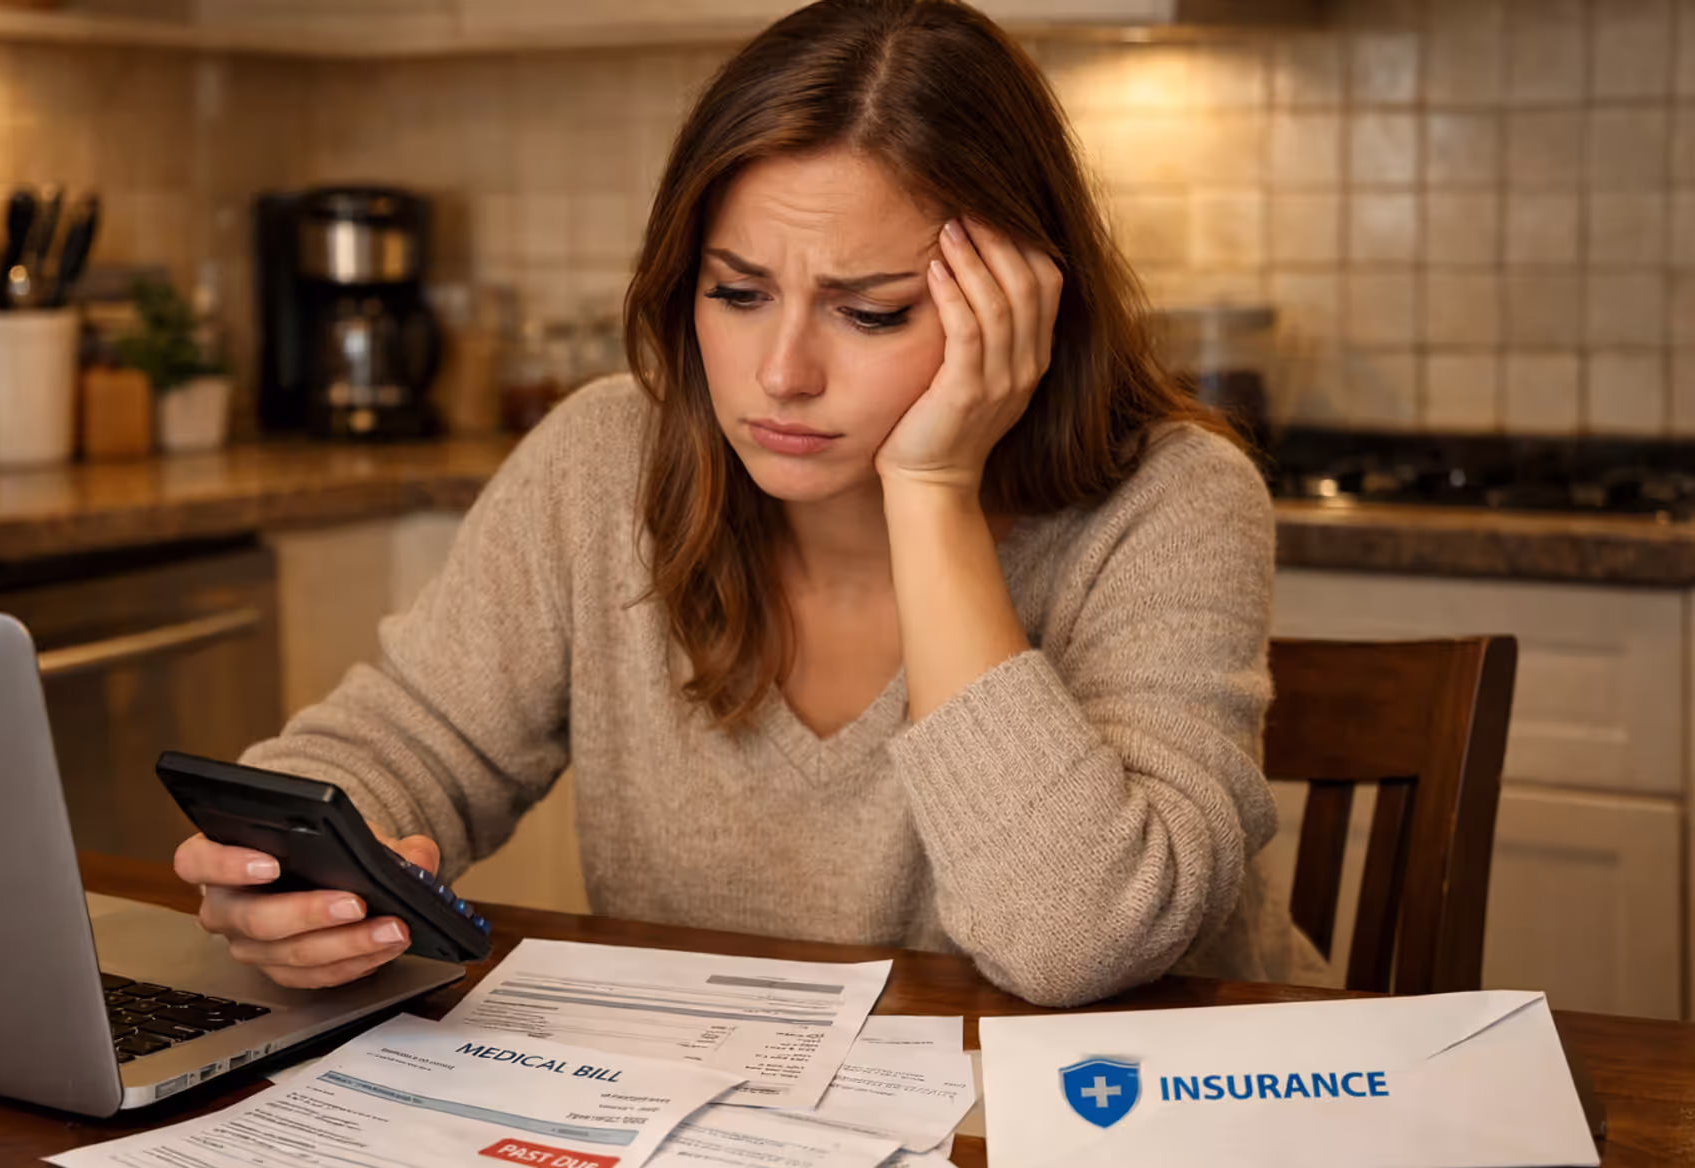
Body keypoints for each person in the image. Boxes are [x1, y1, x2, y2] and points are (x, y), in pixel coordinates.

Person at [175, 0, 1316, 1005]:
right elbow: (407, 739)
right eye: (738, 291)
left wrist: (930, 488)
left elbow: (1075, 940)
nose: (781, 373)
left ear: (1016, 307)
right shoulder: (601, 460)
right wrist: (291, 865)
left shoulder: (1173, 504)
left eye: (870, 312)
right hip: (725, 1156)